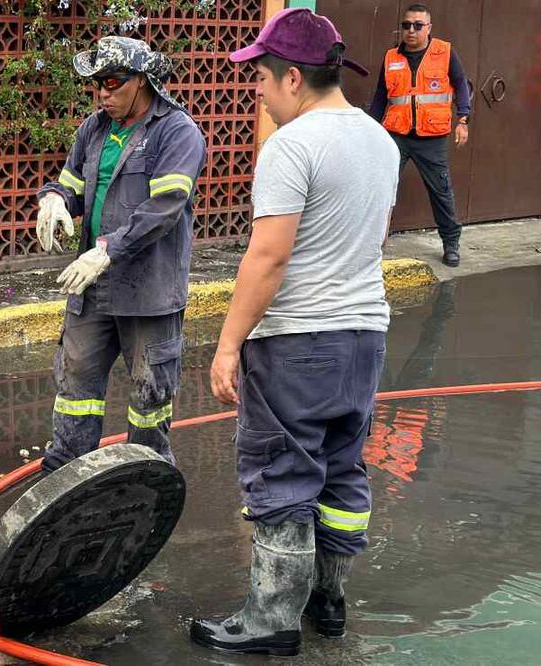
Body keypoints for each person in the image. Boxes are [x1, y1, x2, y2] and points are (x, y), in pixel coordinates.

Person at [190, 8, 399, 656]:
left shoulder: (291, 145)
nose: (256, 90)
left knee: (282, 475)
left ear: (289, 78)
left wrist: (227, 344)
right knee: (340, 473)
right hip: (363, 335)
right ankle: (326, 603)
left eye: (260, 77)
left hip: (297, 342)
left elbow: (268, 256)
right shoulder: (379, 141)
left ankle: (271, 620)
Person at [34, 36, 206, 473]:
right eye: (98, 84)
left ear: (143, 81)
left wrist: (107, 249)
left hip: (148, 289)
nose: (104, 94)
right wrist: (53, 200)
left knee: (150, 394)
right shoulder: (94, 129)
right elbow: (70, 182)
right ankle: (68, 473)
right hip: (92, 289)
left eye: (113, 82)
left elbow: (164, 208)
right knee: (75, 385)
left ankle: (145, 474)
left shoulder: (177, 132)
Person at [369, 3, 471, 267]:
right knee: (381, 188)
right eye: (406, 25)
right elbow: (381, 97)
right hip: (397, 135)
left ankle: (451, 243)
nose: (411, 30)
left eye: (418, 25)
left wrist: (463, 119)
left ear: (429, 28)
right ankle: (371, 242)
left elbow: (461, 84)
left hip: (431, 137)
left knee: (441, 192)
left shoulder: (445, 53)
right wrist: (368, 129)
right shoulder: (391, 57)